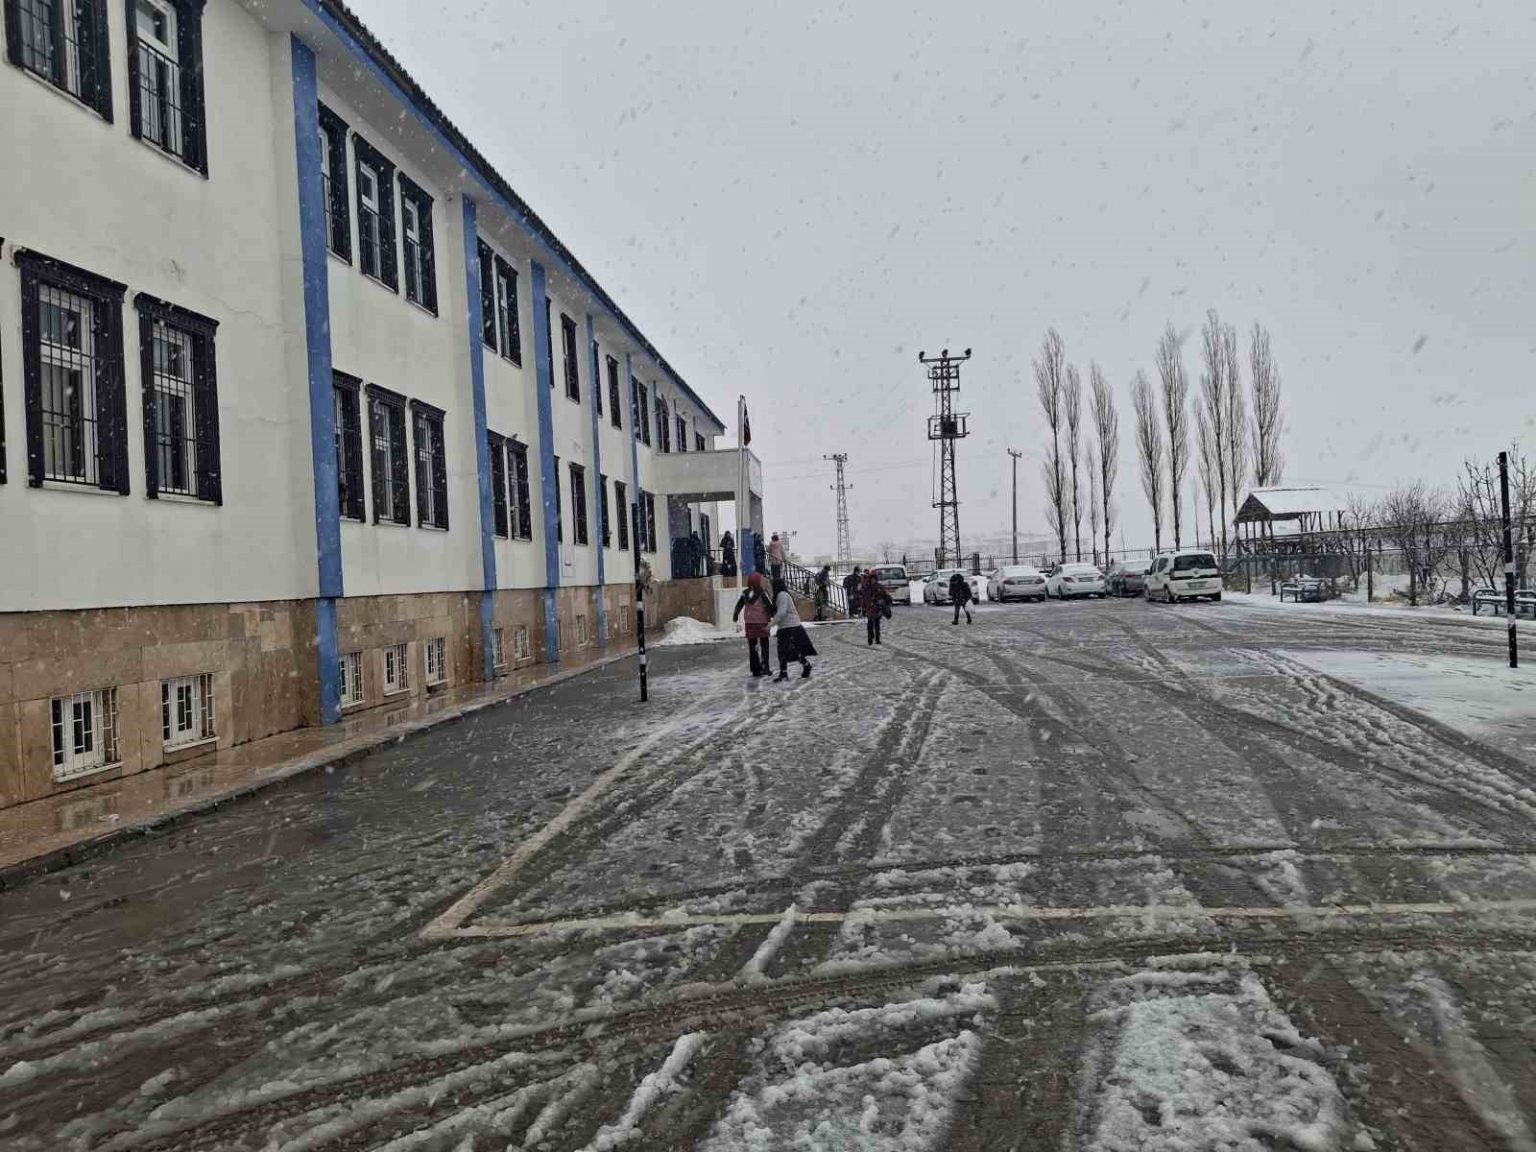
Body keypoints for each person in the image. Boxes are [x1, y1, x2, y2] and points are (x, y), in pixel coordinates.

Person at [769, 577, 816, 680]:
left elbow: (781, 613)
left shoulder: (782, 595)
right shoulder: (782, 595)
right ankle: (802, 666)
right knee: (789, 651)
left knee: (786, 651)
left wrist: (770, 625)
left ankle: (786, 672)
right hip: (789, 626)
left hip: (789, 627)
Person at [732, 572, 773, 677]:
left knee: (753, 647)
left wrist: (735, 615)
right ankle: (765, 667)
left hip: (750, 623)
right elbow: (768, 606)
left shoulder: (745, 593)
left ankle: (755, 669)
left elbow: (738, 605)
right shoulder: (762, 593)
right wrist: (772, 615)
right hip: (762, 622)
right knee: (764, 645)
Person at [862, 569, 892, 645]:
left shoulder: (879, 587)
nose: (873, 580)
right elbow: (864, 599)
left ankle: (877, 639)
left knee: (876, 623)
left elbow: (886, 596)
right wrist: (863, 608)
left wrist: (886, 601)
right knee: (870, 624)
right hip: (870, 608)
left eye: (874, 579)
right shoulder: (867, 587)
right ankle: (870, 638)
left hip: (877, 608)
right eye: (871, 579)